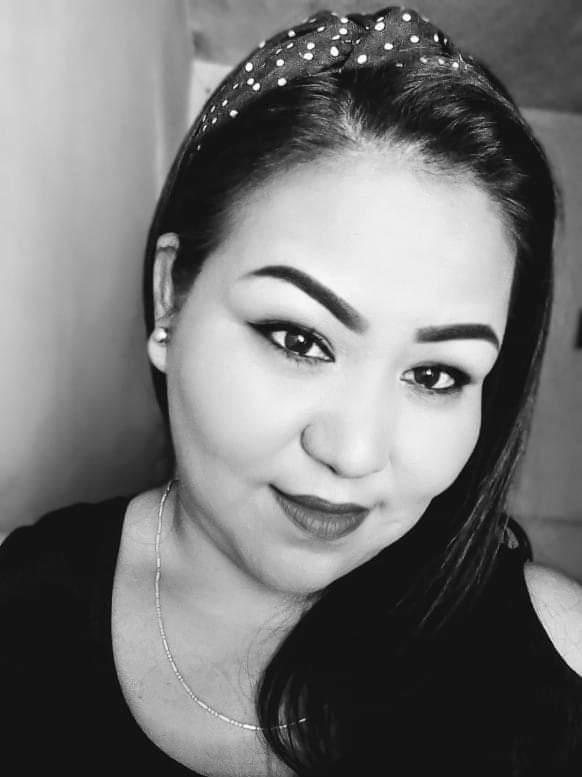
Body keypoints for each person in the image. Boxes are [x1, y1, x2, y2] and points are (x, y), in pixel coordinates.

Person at [1, 5, 581, 776]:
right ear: (172, 294)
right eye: (300, 338)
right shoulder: (22, 611)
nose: (355, 451)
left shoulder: (561, 659)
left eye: (435, 375)